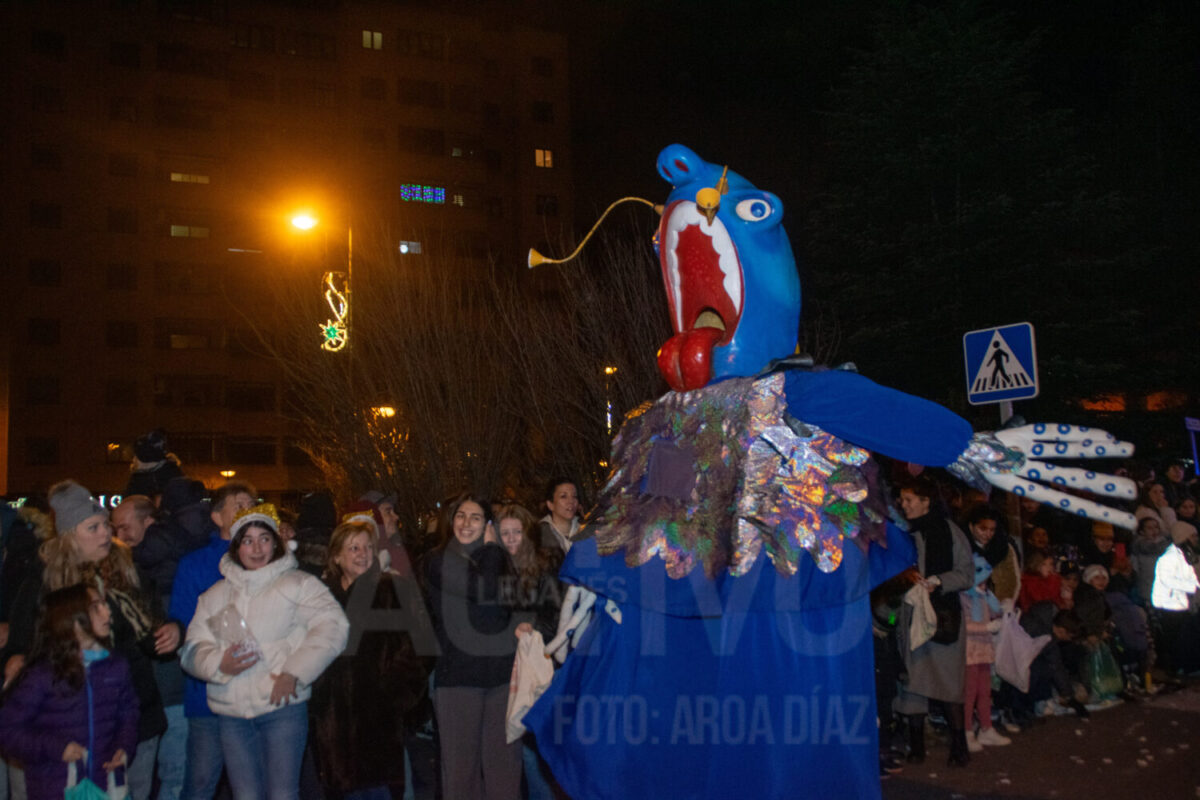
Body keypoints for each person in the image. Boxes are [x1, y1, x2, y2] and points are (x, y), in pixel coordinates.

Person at [3, 481, 176, 800]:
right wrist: (15, 660)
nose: (104, 534)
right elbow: (19, 647)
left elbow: (151, 634)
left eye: (105, 525)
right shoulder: (44, 583)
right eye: (93, 527)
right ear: (69, 536)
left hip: (131, 719)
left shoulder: (125, 571)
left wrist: (174, 631)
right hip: (66, 726)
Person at [181, 503, 349, 800]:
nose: (256, 548)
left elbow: (333, 626)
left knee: (282, 794)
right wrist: (220, 665)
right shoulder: (214, 596)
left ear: (276, 544)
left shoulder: (298, 585)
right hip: (232, 715)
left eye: (264, 539)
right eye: (247, 540)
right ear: (236, 547)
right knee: (246, 795)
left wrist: (294, 672)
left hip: (281, 709)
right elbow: (192, 648)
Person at [310, 520, 432, 800]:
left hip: (379, 719)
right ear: (337, 556)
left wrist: (395, 693)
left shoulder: (393, 588)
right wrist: (318, 692)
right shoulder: (320, 596)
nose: (363, 553)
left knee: (378, 790)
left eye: (368, 547)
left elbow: (422, 645)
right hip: (334, 722)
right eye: (353, 547)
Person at [0, 584, 139, 800]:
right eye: (96, 607)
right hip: (56, 788)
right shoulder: (42, 674)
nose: (107, 611)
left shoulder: (115, 666)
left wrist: (124, 747)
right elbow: (7, 731)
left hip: (106, 787)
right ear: (71, 621)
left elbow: (128, 714)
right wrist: (55, 748)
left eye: (104, 604)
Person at [424, 493, 522, 800]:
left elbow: (516, 603)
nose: (466, 523)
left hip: (502, 679)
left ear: (487, 525)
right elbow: (483, 589)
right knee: (461, 776)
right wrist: (493, 549)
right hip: (458, 680)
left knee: (504, 772)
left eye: (475, 517)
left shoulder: (500, 560)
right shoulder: (438, 559)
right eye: (460, 516)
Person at [169, 480, 256, 800]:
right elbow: (185, 624)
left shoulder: (271, 561)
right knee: (201, 784)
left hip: (258, 697)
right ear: (218, 517)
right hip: (210, 698)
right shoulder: (196, 564)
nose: (250, 511)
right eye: (240, 505)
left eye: (253, 504)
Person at [895, 479, 974, 768]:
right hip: (912, 614)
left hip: (943, 617)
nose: (903, 505)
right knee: (913, 682)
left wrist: (938, 582)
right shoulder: (901, 533)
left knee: (949, 681)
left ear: (926, 501)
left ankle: (959, 744)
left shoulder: (949, 531)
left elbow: (967, 573)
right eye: (902, 500)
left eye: (909, 499)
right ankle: (916, 745)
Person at [495, 503, 564, 799]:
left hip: (546, 663)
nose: (511, 539)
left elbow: (560, 612)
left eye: (516, 532)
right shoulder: (497, 567)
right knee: (523, 744)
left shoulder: (548, 561)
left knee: (544, 744)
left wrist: (532, 629)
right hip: (512, 667)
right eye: (504, 533)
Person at [961, 554, 1009, 752]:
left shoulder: (984, 596)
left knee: (984, 691)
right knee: (969, 692)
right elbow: (964, 625)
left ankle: (986, 728)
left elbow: (995, 613)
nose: (984, 583)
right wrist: (987, 627)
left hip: (984, 650)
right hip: (970, 650)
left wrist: (1001, 608)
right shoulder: (964, 597)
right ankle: (966, 732)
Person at [537, 478, 579, 554]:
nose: (571, 501)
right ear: (550, 504)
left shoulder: (586, 530)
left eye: (574, 496)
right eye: (563, 496)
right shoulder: (539, 535)